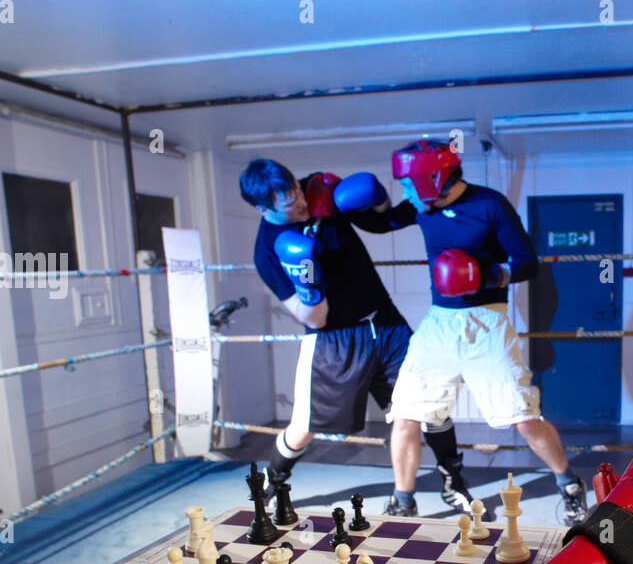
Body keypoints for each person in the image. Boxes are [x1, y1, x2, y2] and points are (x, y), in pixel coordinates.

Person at [336, 140, 589, 526]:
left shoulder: (489, 204)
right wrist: (369, 202)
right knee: (404, 413)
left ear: (430, 179)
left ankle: (569, 484)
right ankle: (403, 501)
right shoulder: (422, 206)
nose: (404, 191)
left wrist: (484, 275)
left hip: (487, 323)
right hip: (439, 324)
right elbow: (378, 224)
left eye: (407, 184)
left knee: (523, 418)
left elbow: (526, 263)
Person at [240, 159, 473, 514]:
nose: (302, 203)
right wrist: (308, 283)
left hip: (386, 323)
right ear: (263, 208)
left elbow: (384, 222)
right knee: (303, 427)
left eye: (299, 191)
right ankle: (274, 481)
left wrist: (377, 199)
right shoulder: (268, 252)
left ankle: (451, 481)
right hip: (334, 339)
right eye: (290, 204)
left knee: (430, 404)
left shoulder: (320, 187)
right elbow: (313, 319)